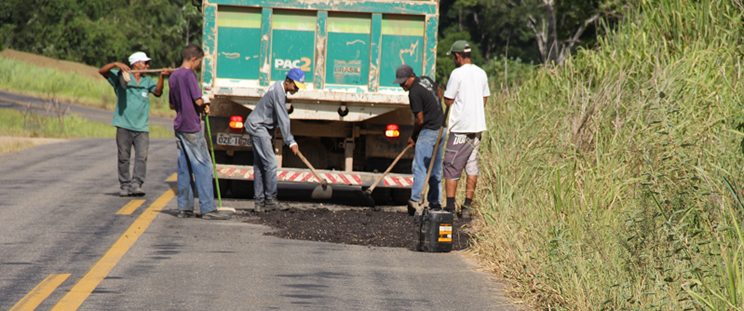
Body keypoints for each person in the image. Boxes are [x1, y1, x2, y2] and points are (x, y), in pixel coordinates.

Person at [169, 44, 230, 220]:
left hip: (179, 126)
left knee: (184, 167)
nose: (199, 66)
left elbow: (172, 105)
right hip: (191, 127)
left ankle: (185, 208)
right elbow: (197, 101)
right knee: (203, 165)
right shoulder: (189, 75)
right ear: (194, 58)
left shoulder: (173, 76)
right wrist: (205, 102)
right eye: (200, 62)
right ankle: (208, 208)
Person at [99, 52, 172, 197]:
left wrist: (163, 76)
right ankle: (125, 185)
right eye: (144, 63)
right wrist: (115, 64)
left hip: (141, 127)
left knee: (141, 157)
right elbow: (102, 71)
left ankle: (137, 184)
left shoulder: (147, 81)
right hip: (124, 125)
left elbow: (157, 92)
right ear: (136, 63)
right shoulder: (121, 77)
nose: (147, 65)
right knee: (124, 157)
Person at [442, 40, 490, 219]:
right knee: (472, 166)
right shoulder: (481, 73)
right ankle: (467, 207)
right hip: (477, 129)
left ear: (457, 55)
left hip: (461, 128)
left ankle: (449, 207)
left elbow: (448, 99)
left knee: (451, 165)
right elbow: (484, 100)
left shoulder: (457, 74)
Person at [244, 68, 304, 212]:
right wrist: (291, 141)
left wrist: (274, 125)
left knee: (259, 166)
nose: (297, 90)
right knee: (270, 163)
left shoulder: (279, 88)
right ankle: (270, 200)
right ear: (288, 81)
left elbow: (275, 114)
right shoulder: (278, 92)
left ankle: (259, 203)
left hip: (259, 126)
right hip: (258, 127)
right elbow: (284, 118)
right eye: (295, 86)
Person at [393, 64, 445, 214]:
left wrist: (413, 137)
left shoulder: (414, 93)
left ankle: (415, 201)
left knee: (420, 167)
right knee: (435, 168)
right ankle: (435, 203)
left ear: (412, 76)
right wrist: (436, 110)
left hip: (429, 131)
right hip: (441, 129)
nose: (403, 85)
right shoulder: (426, 80)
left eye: (404, 82)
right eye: (400, 82)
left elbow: (419, 120)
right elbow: (439, 91)